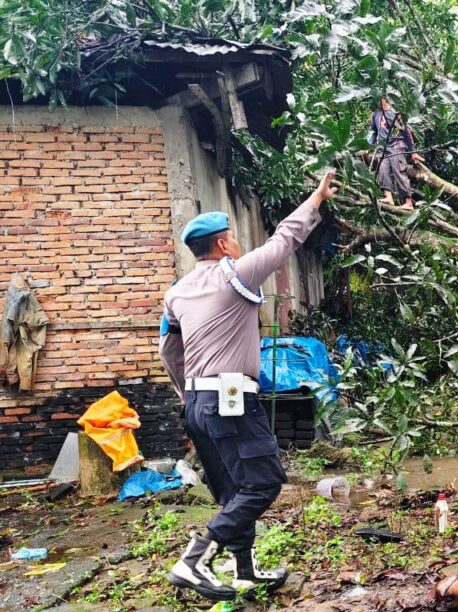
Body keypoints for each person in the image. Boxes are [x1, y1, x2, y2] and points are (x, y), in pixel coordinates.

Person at [159, 172, 337, 601]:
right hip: (231, 398)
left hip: (197, 402)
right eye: (233, 238)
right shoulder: (235, 273)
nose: (238, 244)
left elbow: (169, 352)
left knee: (234, 490)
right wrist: (316, 197)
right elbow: (285, 239)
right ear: (222, 245)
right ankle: (195, 559)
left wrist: (191, 399)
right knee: (264, 482)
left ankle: (245, 571)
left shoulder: (176, 293)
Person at [368, 95, 423, 210]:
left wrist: (413, 151)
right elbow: (373, 132)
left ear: (383, 99)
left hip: (396, 146)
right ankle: (388, 197)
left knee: (399, 171)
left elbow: (405, 131)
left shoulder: (394, 113)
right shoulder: (375, 114)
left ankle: (408, 202)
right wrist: (368, 145)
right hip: (383, 148)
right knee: (382, 170)